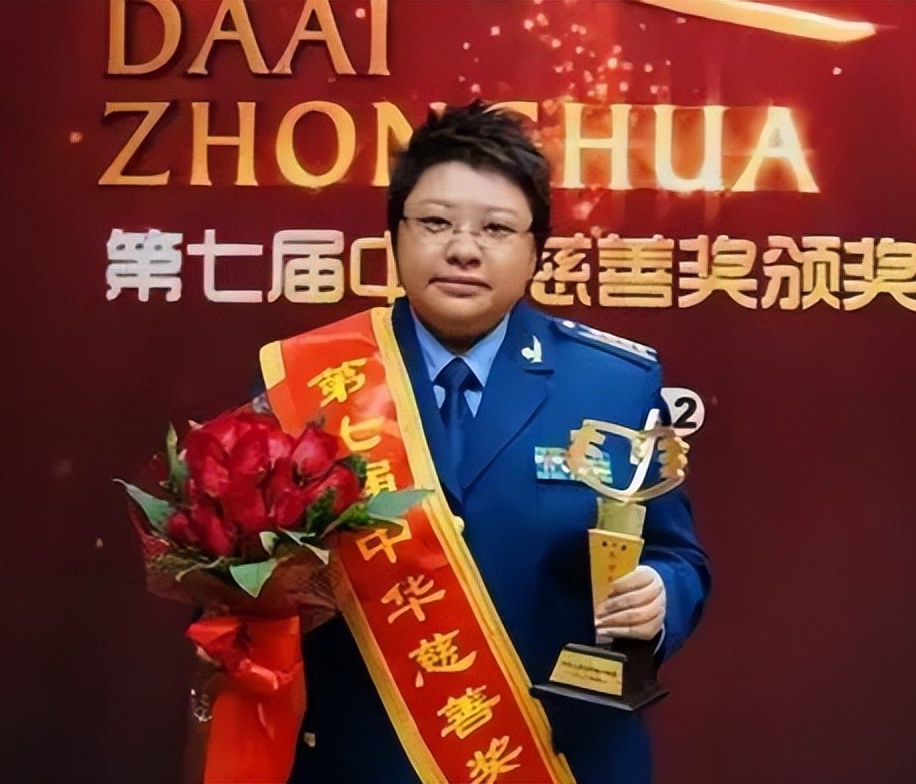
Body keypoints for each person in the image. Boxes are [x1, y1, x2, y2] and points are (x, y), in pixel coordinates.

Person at [280, 101, 710, 783]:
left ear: (537, 249)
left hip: (553, 755)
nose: (463, 249)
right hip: (362, 758)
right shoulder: (308, 381)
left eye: (497, 228)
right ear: (394, 233)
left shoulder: (613, 383)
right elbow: (243, 578)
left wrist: (660, 595)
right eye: (436, 222)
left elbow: (675, 553)